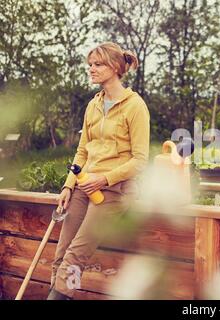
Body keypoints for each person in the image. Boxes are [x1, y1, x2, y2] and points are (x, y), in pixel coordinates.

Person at [48, 42, 150, 300]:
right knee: (61, 253)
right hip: (83, 186)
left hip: (114, 192)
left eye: (98, 64)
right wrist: (68, 186)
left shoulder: (134, 106)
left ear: (115, 67)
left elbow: (140, 160)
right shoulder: (93, 105)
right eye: (90, 65)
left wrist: (104, 178)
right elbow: (82, 151)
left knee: (76, 255)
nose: (91, 69)